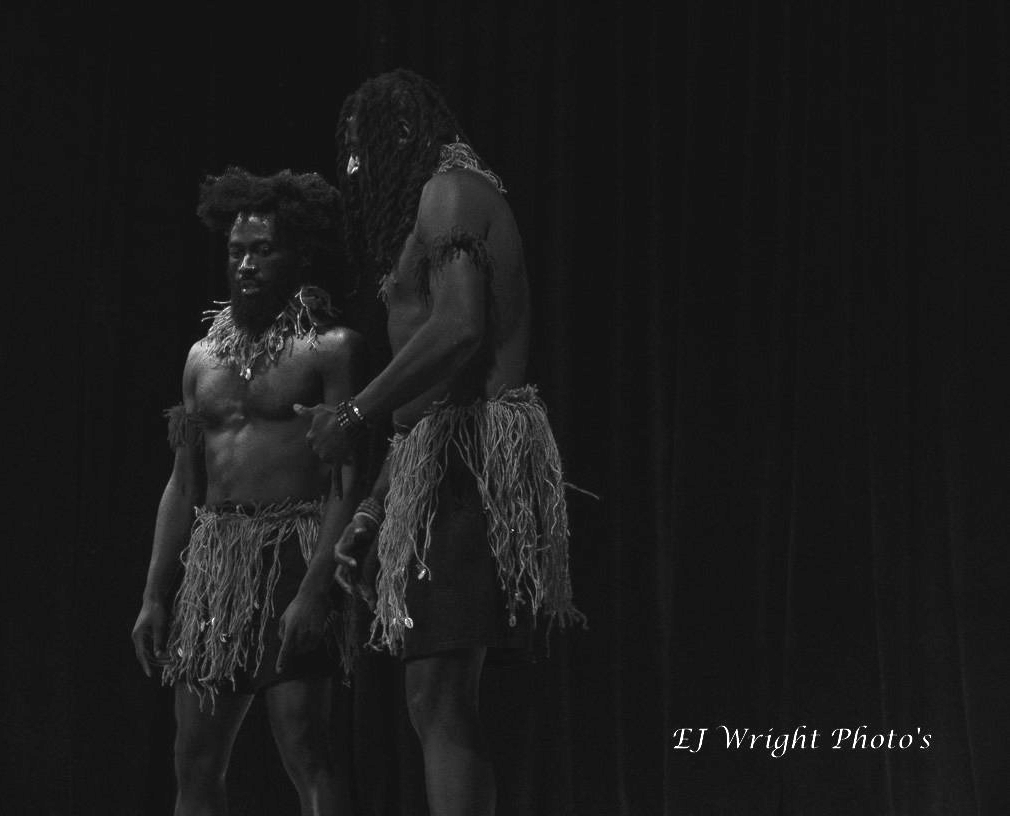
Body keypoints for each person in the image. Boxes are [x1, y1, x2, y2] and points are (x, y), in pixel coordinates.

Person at [297, 69, 583, 816]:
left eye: (361, 151)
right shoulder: (434, 201)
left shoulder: (451, 192)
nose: (356, 171)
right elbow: (429, 401)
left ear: (400, 134)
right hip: (438, 458)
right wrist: (373, 508)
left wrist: (352, 415)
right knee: (434, 698)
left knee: (440, 695)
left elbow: (458, 329)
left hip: (473, 459)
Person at [131, 167, 366, 816]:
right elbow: (184, 481)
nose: (247, 264)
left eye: (264, 250)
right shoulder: (200, 360)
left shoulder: (331, 350)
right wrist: (155, 594)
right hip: (215, 562)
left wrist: (315, 589)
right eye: (237, 250)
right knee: (194, 757)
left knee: (306, 744)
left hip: (295, 549)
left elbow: (348, 481)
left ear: (298, 255)